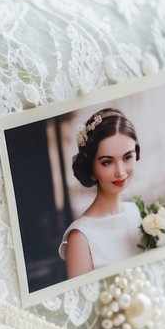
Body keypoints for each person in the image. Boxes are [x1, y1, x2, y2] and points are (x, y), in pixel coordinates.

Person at [59, 108, 141, 279]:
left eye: (127, 157)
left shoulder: (138, 213)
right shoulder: (80, 238)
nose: (120, 172)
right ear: (92, 169)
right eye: (107, 162)